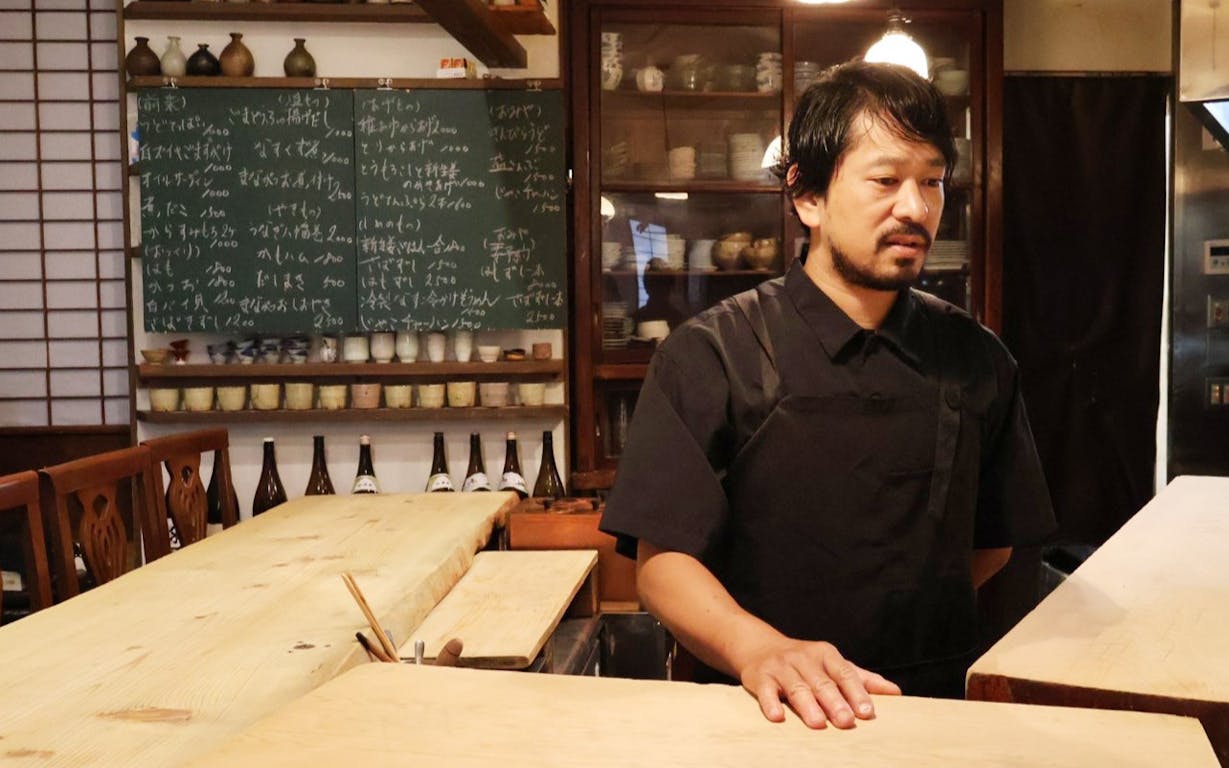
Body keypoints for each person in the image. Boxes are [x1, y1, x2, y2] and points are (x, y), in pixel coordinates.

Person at [599, 60, 1055, 730]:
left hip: (927, 713)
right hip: (758, 712)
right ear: (806, 195)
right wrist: (760, 649)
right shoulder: (710, 354)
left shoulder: (975, 357)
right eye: (885, 180)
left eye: (930, 181)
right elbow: (661, 564)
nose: (915, 207)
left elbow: (993, 542)